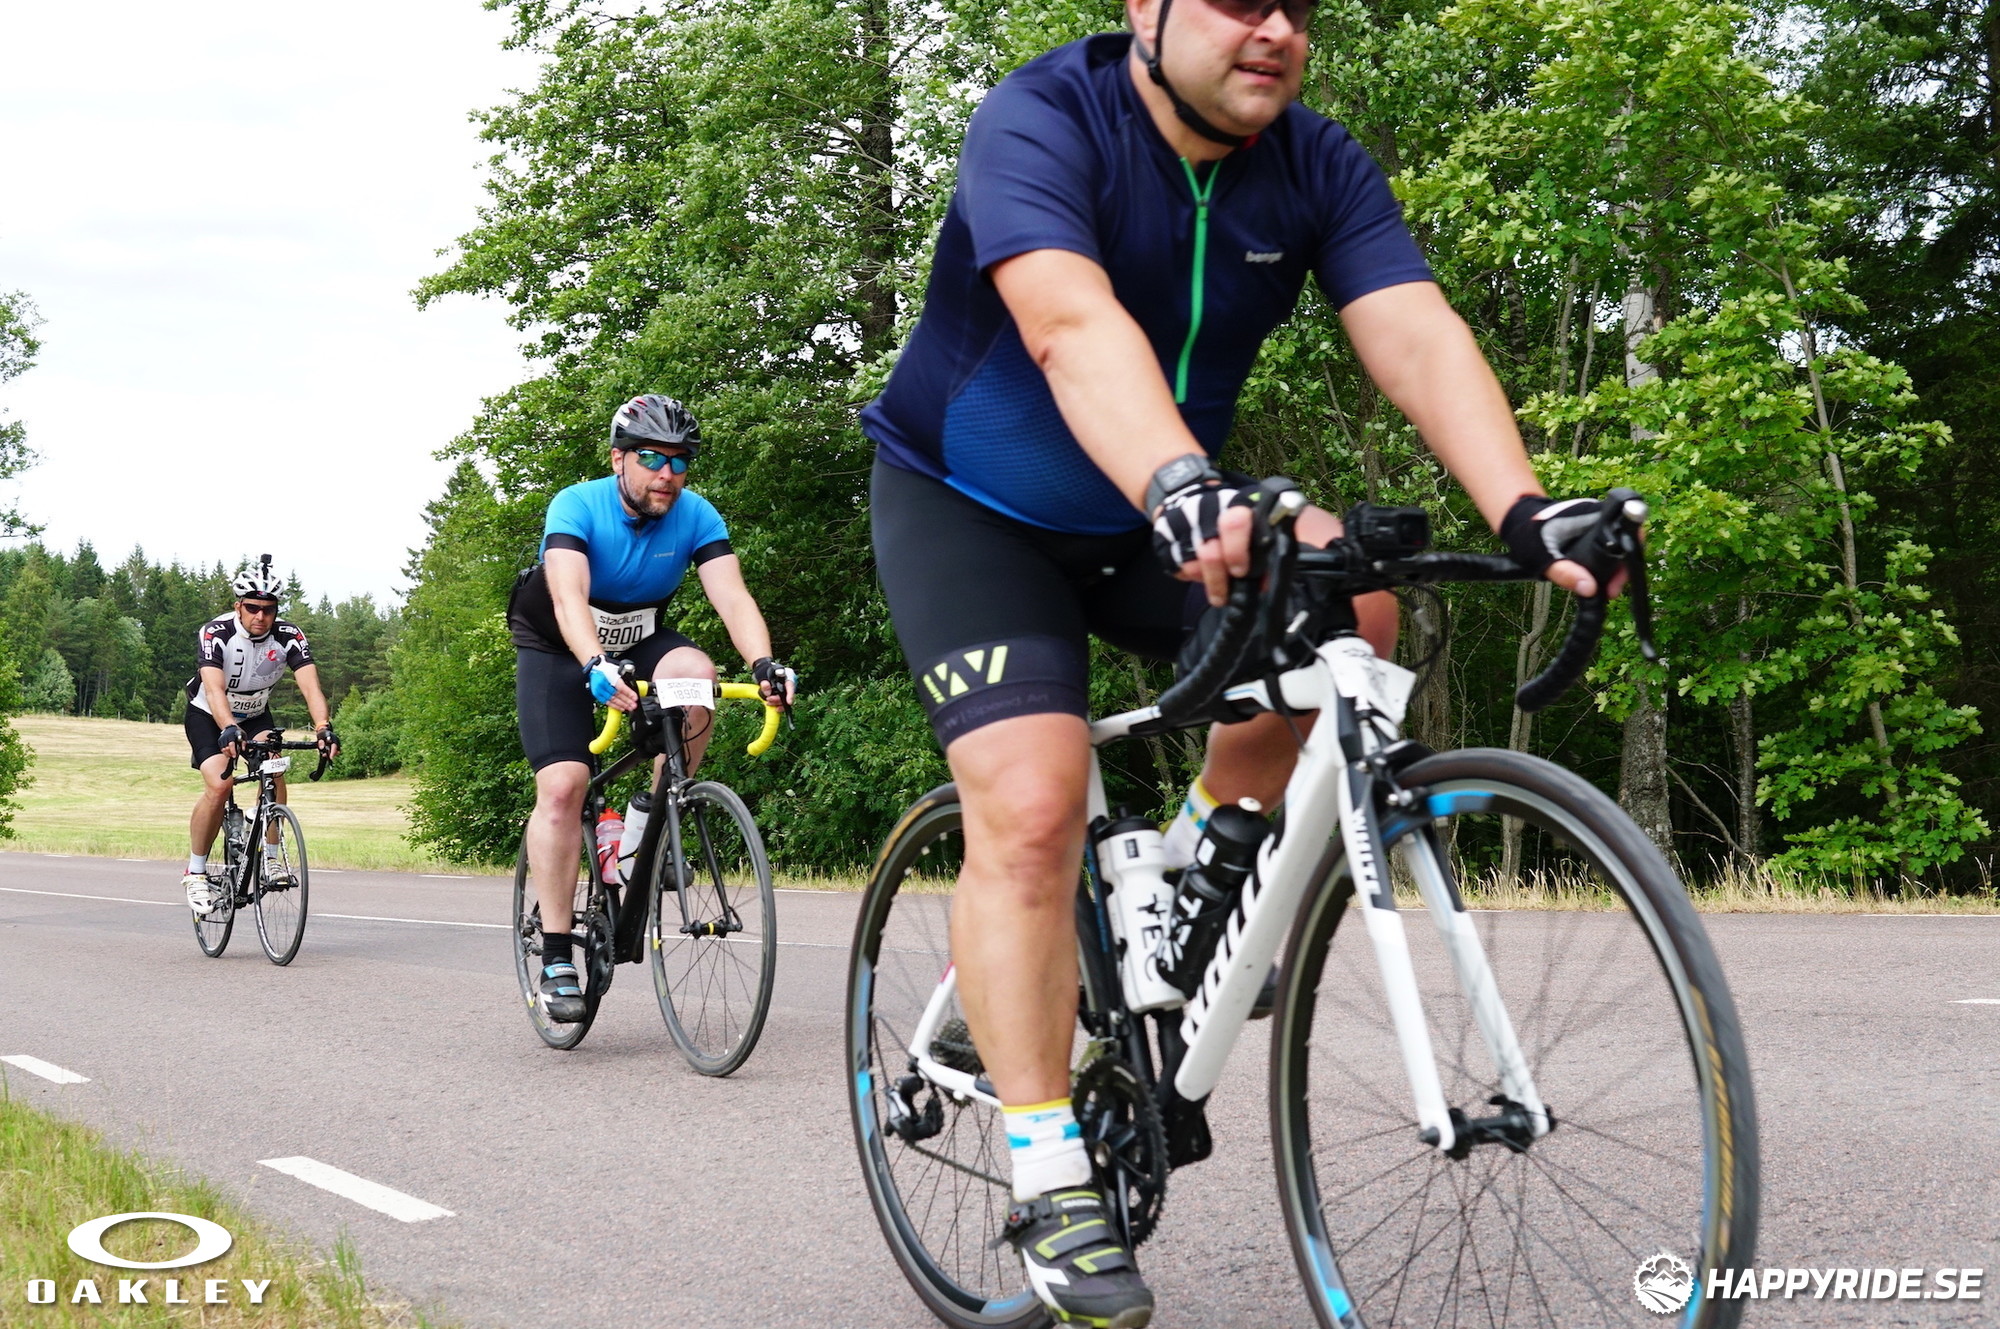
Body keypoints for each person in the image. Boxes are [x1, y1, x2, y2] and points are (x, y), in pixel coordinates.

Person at [860, 0, 1609, 1322]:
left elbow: (1414, 330)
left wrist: (1523, 508)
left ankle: (1198, 865)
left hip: (1160, 501)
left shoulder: (1314, 162)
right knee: (1032, 803)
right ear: (1141, 9)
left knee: (1354, 607)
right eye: (1236, 0)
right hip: (976, 512)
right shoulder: (1043, 118)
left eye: (1296, 7)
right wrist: (1180, 483)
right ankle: (1047, 1166)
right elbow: (1068, 324)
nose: (1272, 28)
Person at [509, 394, 796, 1025]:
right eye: (651, 459)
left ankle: (648, 824)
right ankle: (556, 953)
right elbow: (569, 598)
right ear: (619, 459)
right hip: (558, 643)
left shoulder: (695, 514)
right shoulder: (577, 504)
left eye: (679, 461)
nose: (667, 474)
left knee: (697, 675)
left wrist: (764, 665)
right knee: (564, 785)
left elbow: (733, 596)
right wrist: (594, 664)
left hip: (638, 637)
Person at [181, 558, 338, 913]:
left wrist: (323, 728)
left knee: (274, 766)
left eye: (269, 609)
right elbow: (214, 689)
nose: (260, 616)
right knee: (220, 786)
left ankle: (271, 857)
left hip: (254, 714)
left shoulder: (289, 636)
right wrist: (227, 727)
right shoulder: (216, 633)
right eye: (252, 608)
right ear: (238, 606)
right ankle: (196, 871)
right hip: (209, 714)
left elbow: (311, 687)